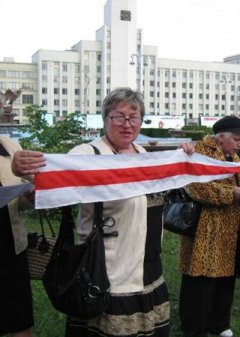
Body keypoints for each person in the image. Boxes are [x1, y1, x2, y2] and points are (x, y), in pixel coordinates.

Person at [11, 87, 194, 337]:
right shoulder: (89, 154)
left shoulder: (144, 156)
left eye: (134, 116)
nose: (127, 124)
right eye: (119, 116)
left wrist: (184, 158)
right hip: (107, 266)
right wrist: (23, 168)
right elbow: (54, 174)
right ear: (106, 118)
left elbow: (173, 184)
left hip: (149, 265)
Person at [179, 116, 240, 337]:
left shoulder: (234, 156)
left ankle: (220, 324)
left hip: (230, 228)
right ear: (221, 137)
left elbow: (235, 187)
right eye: (237, 139)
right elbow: (195, 188)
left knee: (225, 278)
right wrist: (231, 194)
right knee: (201, 279)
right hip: (206, 228)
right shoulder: (199, 154)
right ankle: (195, 327)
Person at [0, 136, 34, 337]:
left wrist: (29, 197)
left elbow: (18, 201)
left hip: (10, 247)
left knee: (20, 322)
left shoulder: (9, 145)